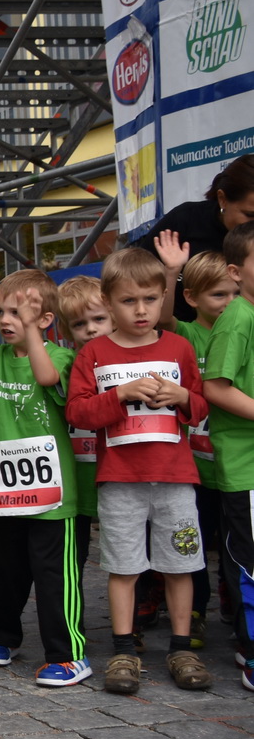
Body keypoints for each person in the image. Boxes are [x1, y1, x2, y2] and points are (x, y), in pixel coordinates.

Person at [67, 248, 211, 694]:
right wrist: (121, 394)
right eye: (128, 301)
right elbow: (78, 411)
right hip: (120, 480)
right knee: (124, 566)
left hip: (175, 477)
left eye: (150, 299)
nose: (141, 309)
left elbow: (201, 405)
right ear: (109, 303)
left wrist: (183, 398)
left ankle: (181, 647)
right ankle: (124, 649)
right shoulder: (94, 352)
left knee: (180, 564)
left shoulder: (178, 347)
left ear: (164, 296)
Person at [0, 273, 89, 685]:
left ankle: (68, 654)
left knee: (54, 576)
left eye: (19, 312)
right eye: (2, 312)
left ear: (45, 319)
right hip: (8, 492)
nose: (6, 320)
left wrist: (32, 333)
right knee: (6, 569)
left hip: (53, 496)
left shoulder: (60, 357)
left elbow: (46, 378)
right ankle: (2, 637)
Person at [170, 249, 240, 649]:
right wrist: (171, 272)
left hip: (233, 464)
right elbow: (163, 317)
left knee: (234, 541)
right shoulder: (186, 333)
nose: (229, 302)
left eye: (235, 293)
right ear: (192, 297)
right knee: (192, 539)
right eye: (218, 295)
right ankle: (194, 610)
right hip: (194, 466)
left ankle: (234, 598)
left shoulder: (243, 329)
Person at [202, 221, 254, 692]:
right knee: (248, 561)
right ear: (236, 272)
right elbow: (216, 388)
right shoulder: (238, 317)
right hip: (245, 466)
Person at [137, 153, 254, 321]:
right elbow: (136, 279)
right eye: (250, 215)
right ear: (222, 199)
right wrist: (171, 272)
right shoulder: (185, 221)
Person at [56, 275, 110, 573]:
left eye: (99, 319)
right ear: (65, 330)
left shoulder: (125, 362)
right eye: (79, 324)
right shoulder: (65, 364)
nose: (91, 329)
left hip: (115, 470)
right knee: (73, 552)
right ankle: (71, 600)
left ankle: (143, 595)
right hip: (76, 470)